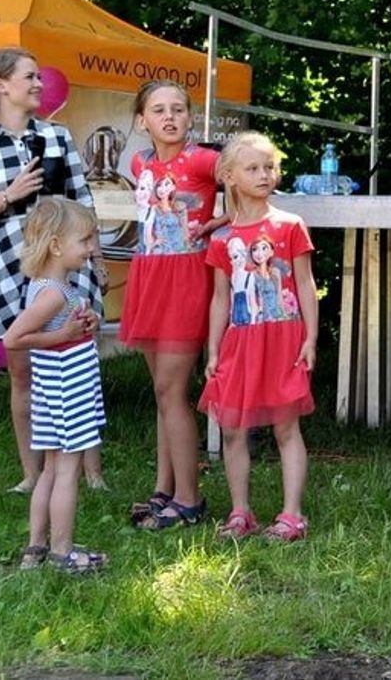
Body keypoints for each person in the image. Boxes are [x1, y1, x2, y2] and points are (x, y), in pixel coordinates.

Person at [0, 47, 105, 494]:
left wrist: (94, 259)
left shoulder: (58, 137)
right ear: (1, 84)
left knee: (79, 361)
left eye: (40, 77)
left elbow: (83, 201)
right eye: (30, 77)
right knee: (22, 372)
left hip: (66, 266)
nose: (39, 84)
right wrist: (8, 195)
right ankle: (32, 474)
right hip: (8, 269)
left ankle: (91, 473)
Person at [198, 132, 318, 541]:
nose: (264, 174)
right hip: (241, 341)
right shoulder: (222, 238)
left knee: (286, 426)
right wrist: (213, 347)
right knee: (233, 427)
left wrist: (311, 338)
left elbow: (305, 285)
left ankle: (291, 515)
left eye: (269, 167)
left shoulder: (289, 226)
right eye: (252, 168)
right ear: (229, 176)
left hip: (283, 339)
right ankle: (240, 511)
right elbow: (220, 298)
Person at [119, 81, 222, 530]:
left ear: (189, 117)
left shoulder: (202, 159)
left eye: (178, 109)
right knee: (162, 393)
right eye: (158, 110)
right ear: (143, 120)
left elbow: (253, 177)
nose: (169, 117)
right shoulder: (140, 161)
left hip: (185, 279)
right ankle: (164, 489)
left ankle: (190, 500)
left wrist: (217, 223)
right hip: (149, 278)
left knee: (172, 389)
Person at [3, 198, 107, 574]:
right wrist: (64, 334)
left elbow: (59, 324)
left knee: (50, 468)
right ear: (57, 245)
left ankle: (36, 548)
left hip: (56, 388)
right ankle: (63, 553)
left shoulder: (52, 287)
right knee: (67, 469)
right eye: (85, 239)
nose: (92, 247)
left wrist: (85, 321)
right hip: (66, 387)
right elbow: (14, 339)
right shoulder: (52, 293)